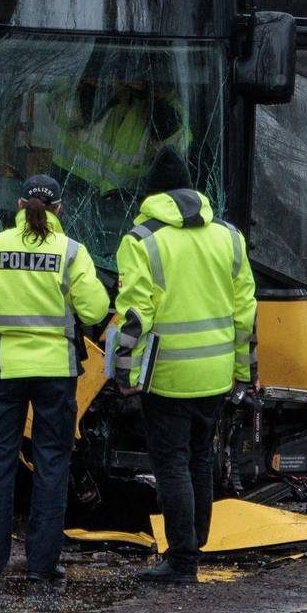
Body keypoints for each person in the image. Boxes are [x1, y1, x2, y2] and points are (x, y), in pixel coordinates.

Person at [0, 174, 109, 583]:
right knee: (52, 463)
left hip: (4, 372)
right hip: (56, 373)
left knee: (0, 460)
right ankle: (42, 565)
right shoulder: (72, 252)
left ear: (19, 205)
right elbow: (94, 312)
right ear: (58, 210)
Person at [113, 148, 257, 584]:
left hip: (169, 376)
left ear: (153, 192)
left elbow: (136, 314)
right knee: (199, 457)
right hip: (214, 376)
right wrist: (244, 372)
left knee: (171, 464)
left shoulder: (141, 240)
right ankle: (195, 544)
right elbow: (245, 312)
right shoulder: (228, 237)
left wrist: (124, 372)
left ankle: (181, 562)